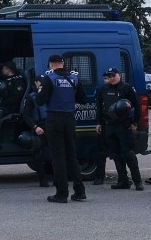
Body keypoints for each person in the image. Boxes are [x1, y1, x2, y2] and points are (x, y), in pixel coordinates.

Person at [34, 54, 86, 203]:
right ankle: (80, 191)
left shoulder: (49, 79)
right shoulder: (75, 78)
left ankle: (61, 193)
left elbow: (40, 100)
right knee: (71, 155)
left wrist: (39, 89)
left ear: (51, 64)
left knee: (58, 157)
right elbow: (82, 99)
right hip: (70, 118)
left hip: (54, 118)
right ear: (62, 63)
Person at [95, 67, 143, 190]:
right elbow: (99, 107)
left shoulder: (127, 88)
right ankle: (123, 180)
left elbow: (137, 106)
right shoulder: (103, 89)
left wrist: (135, 122)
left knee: (128, 154)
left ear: (118, 75)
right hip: (109, 126)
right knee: (116, 155)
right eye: (108, 76)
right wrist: (99, 123)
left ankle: (137, 181)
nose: (111, 78)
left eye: (112, 76)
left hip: (123, 125)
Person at [21, 81, 50, 187]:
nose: (42, 84)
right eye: (40, 82)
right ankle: (43, 180)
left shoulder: (50, 95)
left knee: (58, 153)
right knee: (38, 154)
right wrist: (35, 127)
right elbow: (26, 115)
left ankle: (58, 179)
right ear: (36, 83)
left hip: (51, 126)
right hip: (39, 127)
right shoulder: (30, 98)